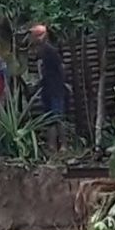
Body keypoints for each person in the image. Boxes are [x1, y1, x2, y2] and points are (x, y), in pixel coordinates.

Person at [30, 24, 67, 152]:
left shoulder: (50, 50)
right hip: (46, 89)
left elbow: (61, 68)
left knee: (57, 117)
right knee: (49, 118)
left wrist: (60, 83)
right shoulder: (40, 52)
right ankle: (52, 146)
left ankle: (63, 146)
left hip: (55, 88)